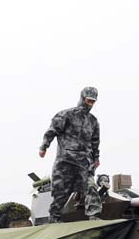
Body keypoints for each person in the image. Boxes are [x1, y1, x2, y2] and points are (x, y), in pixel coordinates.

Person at [38, 87, 101, 223]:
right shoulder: (66, 115)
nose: (90, 104)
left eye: (93, 102)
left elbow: (95, 141)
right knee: (61, 192)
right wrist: (44, 146)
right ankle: (54, 217)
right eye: (88, 101)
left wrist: (96, 157)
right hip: (65, 160)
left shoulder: (93, 121)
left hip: (84, 161)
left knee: (90, 186)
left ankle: (94, 216)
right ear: (82, 98)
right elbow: (52, 131)